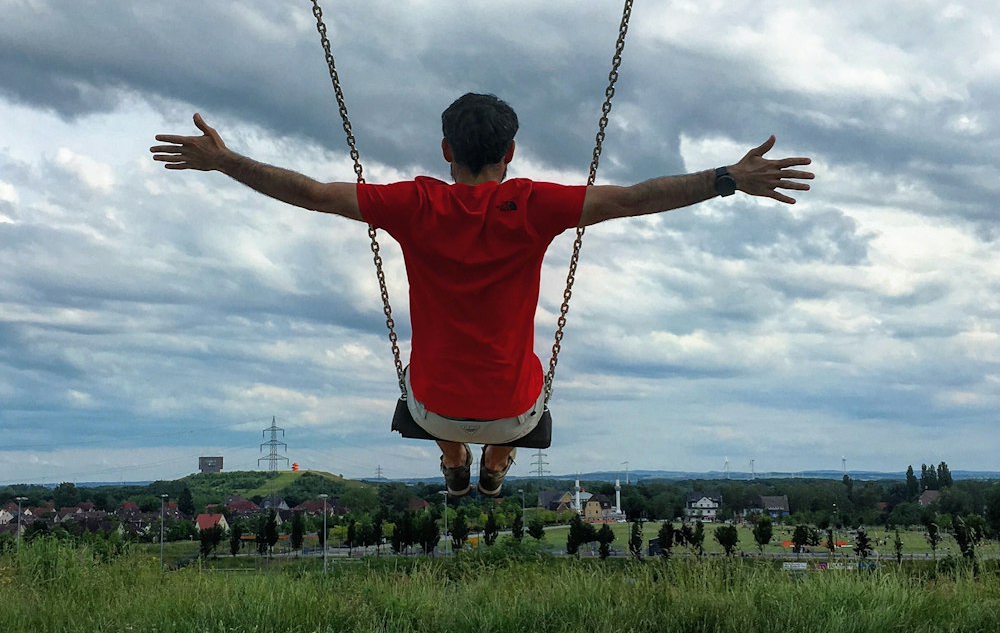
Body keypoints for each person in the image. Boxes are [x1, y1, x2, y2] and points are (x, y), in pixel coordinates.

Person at [151, 93, 813, 497]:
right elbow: (638, 198)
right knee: (525, 389)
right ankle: (497, 462)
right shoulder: (533, 205)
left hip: (434, 409)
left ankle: (455, 461)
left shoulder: (413, 204)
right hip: (516, 413)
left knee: (434, 399)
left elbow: (315, 195)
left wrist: (226, 160)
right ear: (513, 152)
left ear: (445, 149)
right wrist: (729, 177)